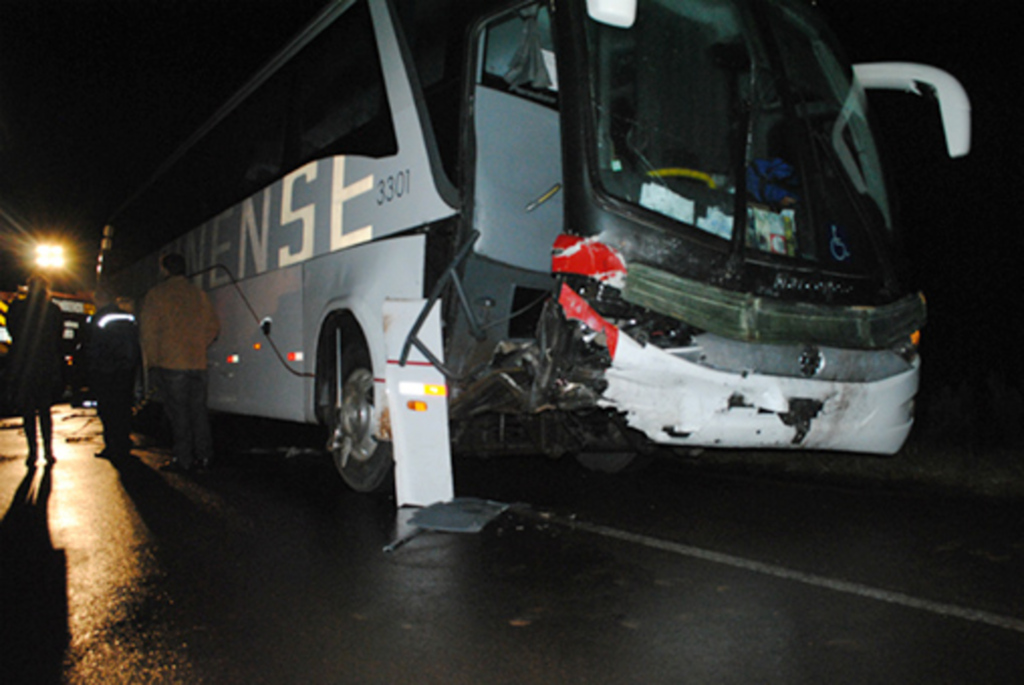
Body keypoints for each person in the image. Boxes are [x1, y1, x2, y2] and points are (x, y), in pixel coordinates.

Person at [139, 253, 220, 473]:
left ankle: (183, 459)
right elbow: (214, 326)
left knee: (178, 414)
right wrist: (198, 344)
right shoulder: (199, 294)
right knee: (198, 413)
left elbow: (148, 332)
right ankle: (204, 456)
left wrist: (153, 361)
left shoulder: (157, 295)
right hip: (197, 363)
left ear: (165, 270)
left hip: (171, 363)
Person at [5, 274, 65, 466]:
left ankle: (32, 452)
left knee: (28, 410)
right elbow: (58, 338)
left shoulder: (17, 308)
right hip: (45, 365)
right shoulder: (53, 310)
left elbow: (12, 330)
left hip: (24, 365)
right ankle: (48, 451)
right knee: (45, 410)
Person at [86, 284, 141, 460]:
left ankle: (112, 446)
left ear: (99, 299)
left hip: (106, 371)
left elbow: (94, 347)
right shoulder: (128, 317)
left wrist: (92, 369)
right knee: (123, 408)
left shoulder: (99, 318)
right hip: (126, 370)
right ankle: (124, 441)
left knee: (107, 411)